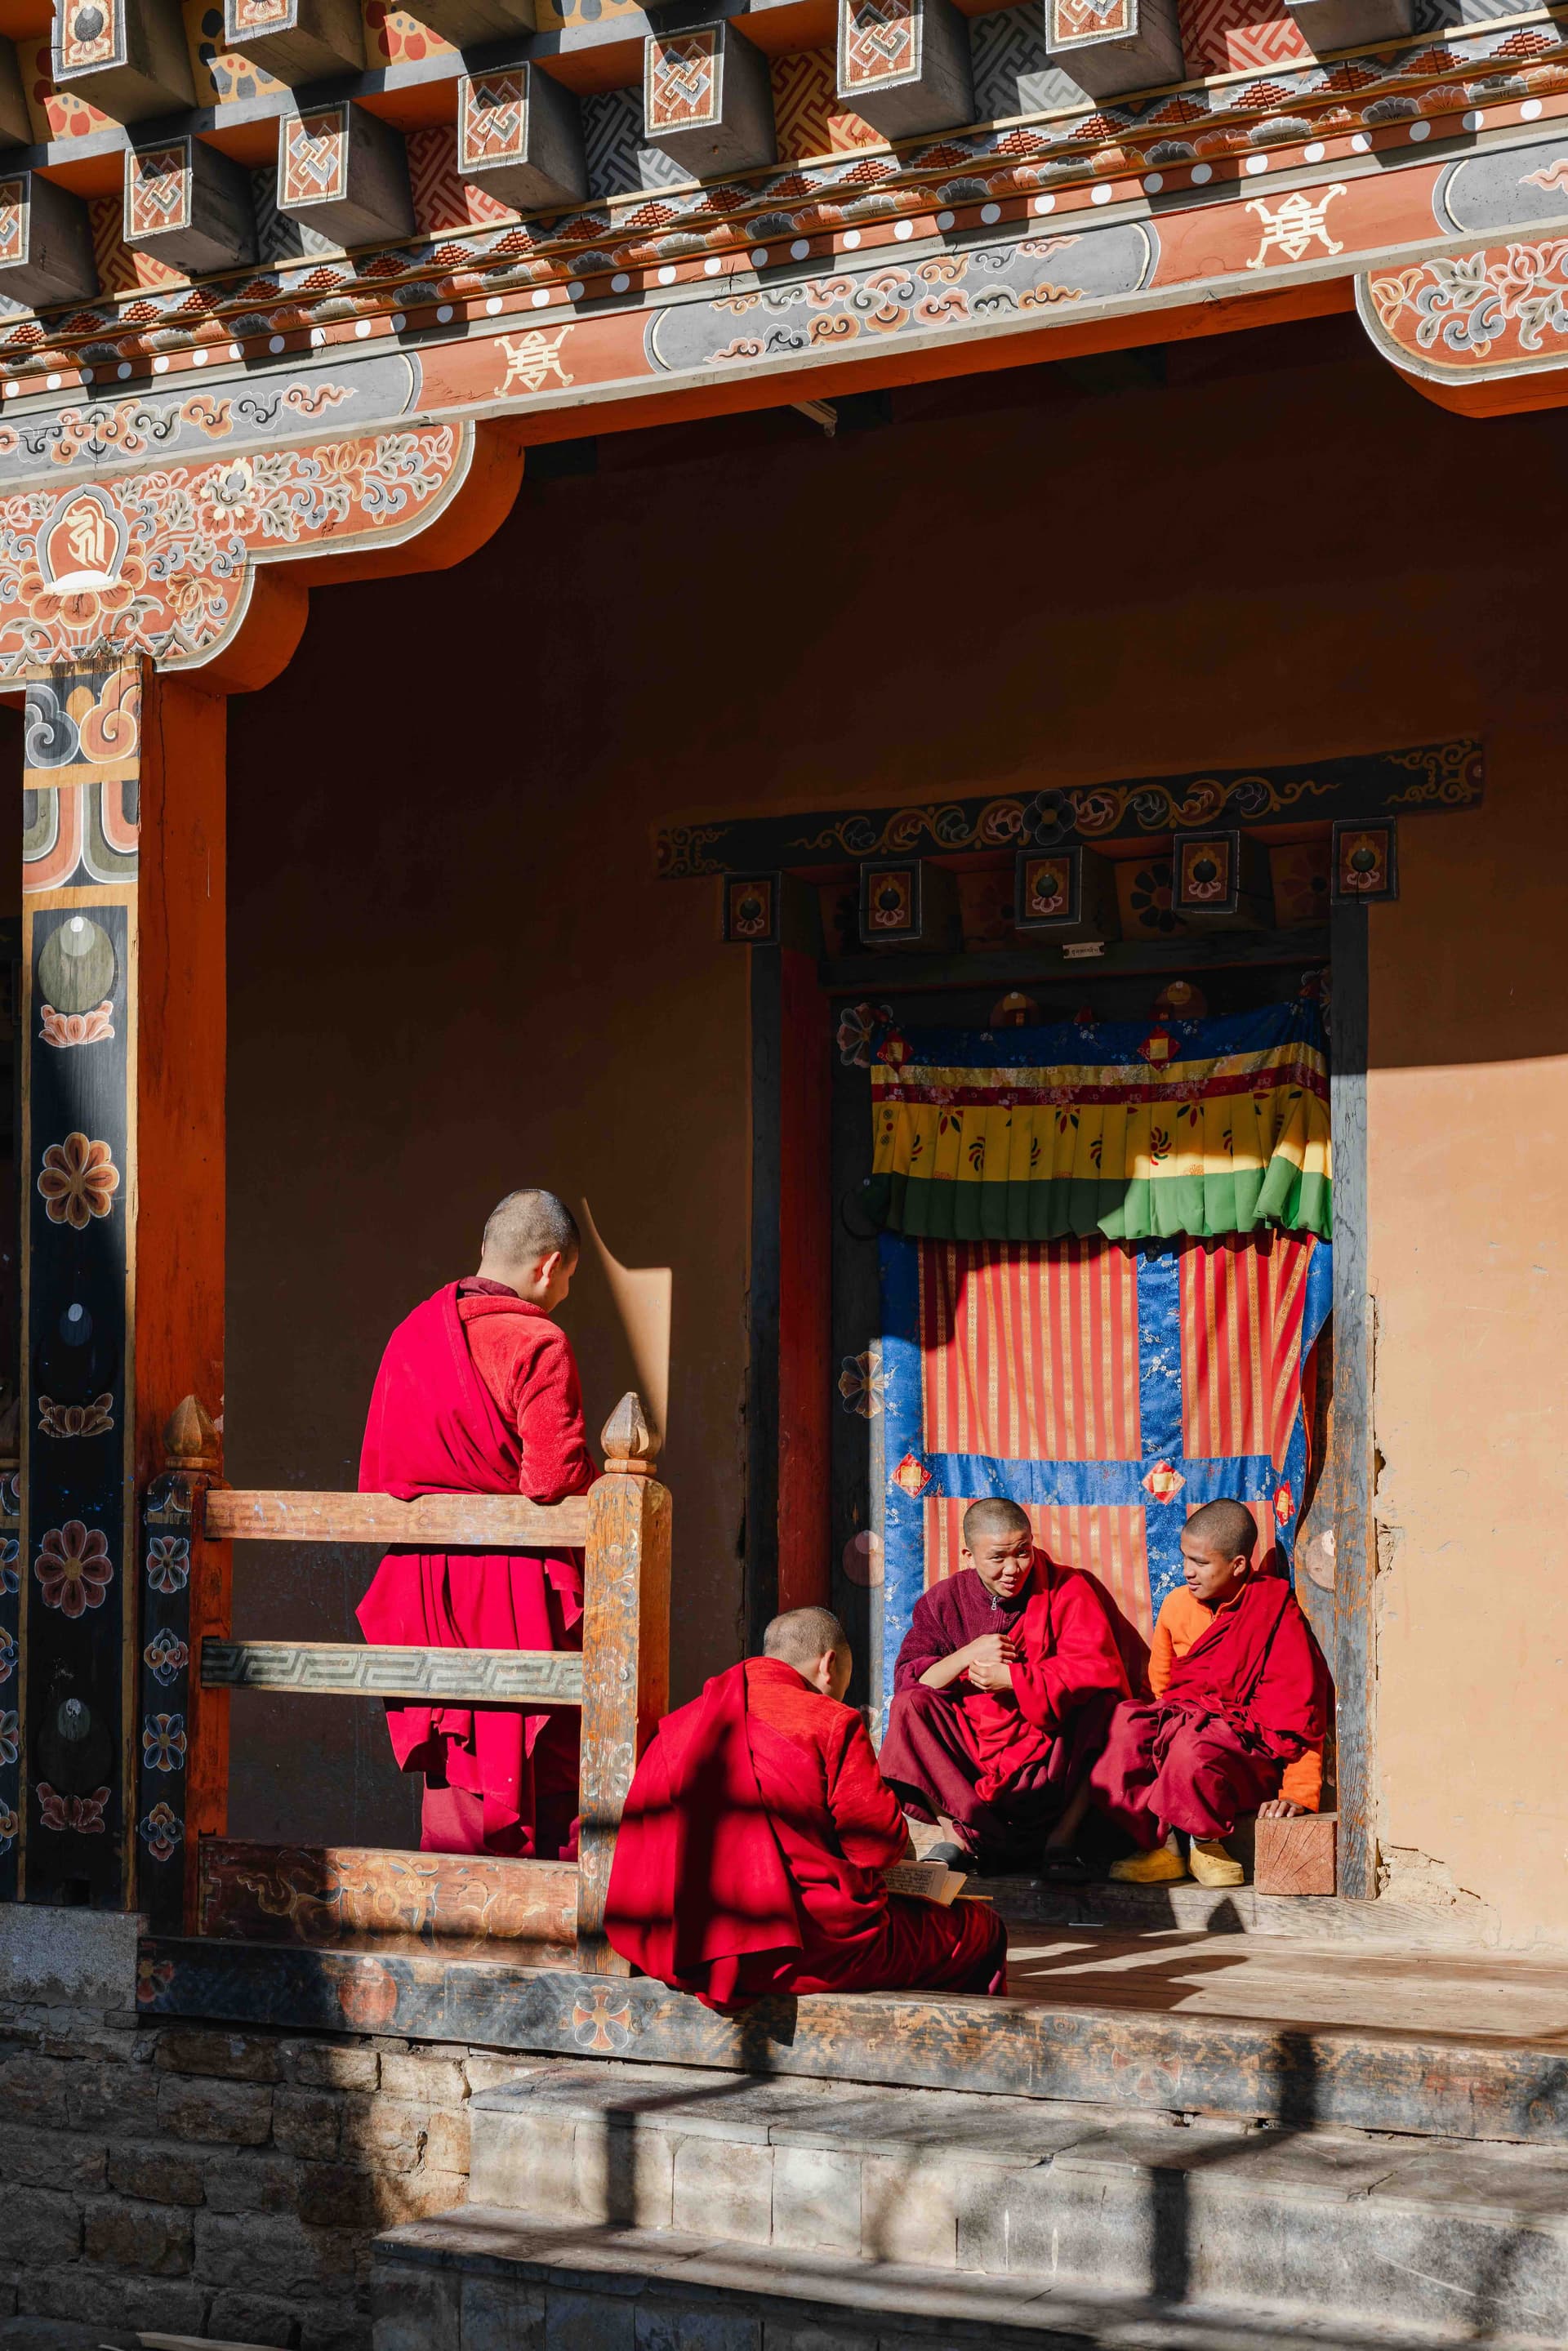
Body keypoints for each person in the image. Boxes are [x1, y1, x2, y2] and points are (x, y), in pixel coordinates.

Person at [603, 1605, 1008, 2014]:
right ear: (828, 1665)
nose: (838, 1699)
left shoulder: (684, 1721)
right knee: (980, 1928)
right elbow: (876, 1849)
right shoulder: (829, 1721)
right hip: (795, 1945)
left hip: (676, 1942)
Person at [356, 1188, 597, 1859]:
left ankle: (456, 1911)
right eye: (569, 1279)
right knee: (544, 1754)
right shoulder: (537, 1340)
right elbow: (552, 1479)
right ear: (549, 1266)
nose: (564, 1293)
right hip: (515, 1588)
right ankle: (542, 1920)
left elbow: (378, 1476)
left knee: (458, 1759)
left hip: (425, 1586)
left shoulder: (410, 1335)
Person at [877, 1498, 1146, 1883]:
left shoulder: (1068, 1587)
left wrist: (1016, 1681)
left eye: (1023, 1552)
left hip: (1049, 1745)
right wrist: (967, 1656)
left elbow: (1100, 1670)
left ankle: (1062, 1838)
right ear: (969, 1554)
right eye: (997, 1558)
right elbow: (909, 1679)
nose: (1012, 1569)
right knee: (909, 1706)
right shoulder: (943, 1601)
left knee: (1110, 1711)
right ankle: (957, 1834)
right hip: (972, 1748)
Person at [1089, 1498, 1332, 1888]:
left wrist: (1299, 1792)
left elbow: (1300, 1711)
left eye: (1201, 1563)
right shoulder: (1175, 1606)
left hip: (1241, 1754)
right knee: (1126, 1725)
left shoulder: (1272, 1610)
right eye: (1185, 1558)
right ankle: (1163, 1846)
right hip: (1185, 1730)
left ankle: (1207, 1844)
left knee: (1194, 1740)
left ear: (1237, 1565)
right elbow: (1164, 1689)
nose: (1187, 1571)